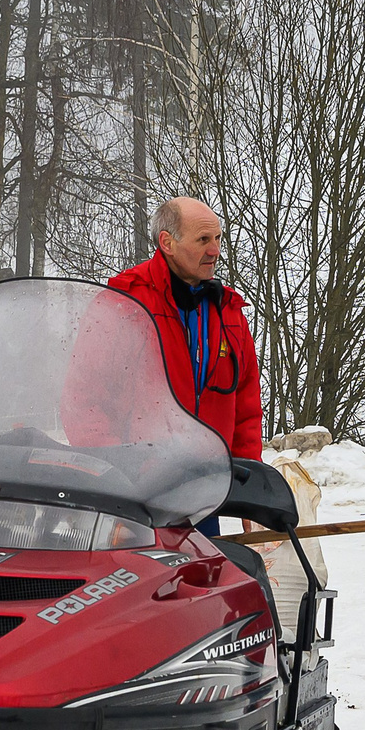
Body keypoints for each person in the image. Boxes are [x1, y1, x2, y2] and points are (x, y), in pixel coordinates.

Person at [105, 197, 264, 531]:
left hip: (205, 493)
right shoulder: (125, 301)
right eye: (203, 240)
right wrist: (112, 483)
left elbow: (246, 406)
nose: (215, 251)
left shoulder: (229, 312)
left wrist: (250, 486)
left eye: (218, 238)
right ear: (168, 243)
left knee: (205, 582)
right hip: (137, 498)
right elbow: (87, 400)